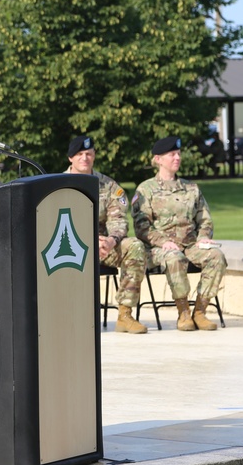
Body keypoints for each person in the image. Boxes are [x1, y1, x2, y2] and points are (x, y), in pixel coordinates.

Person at [132, 136, 226, 332]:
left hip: (190, 244)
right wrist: (163, 241)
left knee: (216, 256)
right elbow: (142, 227)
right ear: (158, 159)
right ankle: (183, 312)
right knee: (174, 257)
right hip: (159, 249)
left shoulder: (191, 188)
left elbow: (204, 219)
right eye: (172, 154)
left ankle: (199, 311)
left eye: (178, 154)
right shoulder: (145, 189)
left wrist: (203, 238)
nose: (177, 157)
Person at [65, 135, 148, 334]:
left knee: (135, 246)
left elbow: (118, 220)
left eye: (89, 154)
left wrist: (112, 240)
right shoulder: (59, 185)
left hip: (104, 247)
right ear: (70, 158)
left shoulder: (109, 186)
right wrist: (88, 241)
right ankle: (69, 317)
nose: (84, 158)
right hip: (71, 248)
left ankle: (125, 315)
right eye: (79, 154)